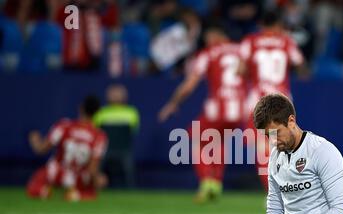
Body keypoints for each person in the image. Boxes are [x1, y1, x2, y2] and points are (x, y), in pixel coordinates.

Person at [158, 23, 246, 203]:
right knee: (220, 140)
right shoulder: (241, 50)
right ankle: (216, 183)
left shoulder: (209, 53)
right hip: (239, 108)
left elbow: (190, 84)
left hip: (217, 107)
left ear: (215, 34)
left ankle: (207, 181)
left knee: (197, 139)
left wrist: (173, 103)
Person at [238, 11, 306, 190]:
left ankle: (272, 191)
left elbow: (240, 70)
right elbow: (301, 66)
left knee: (262, 147)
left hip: (258, 101)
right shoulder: (286, 41)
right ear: (278, 25)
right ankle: (292, 188)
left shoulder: (250, 41)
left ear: (261, 25)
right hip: (282, 102)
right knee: (286, 144)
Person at [27, 95, 108, 201]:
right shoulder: (99, 136)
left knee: (35, 182)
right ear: (97, 112)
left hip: (56, 174)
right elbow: (92, 169)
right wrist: (98, 180)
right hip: (78, 180)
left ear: (81, 108)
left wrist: (34, 140)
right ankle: (75, 195)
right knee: (91, 193)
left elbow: (41, 149)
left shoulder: (64, 126)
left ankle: (45, 191)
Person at [94, 84, 139, 188]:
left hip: (108, 152)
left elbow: (96, 132)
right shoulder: (132, 113)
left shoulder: (101, 113)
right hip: (122, 152)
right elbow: (134, 131)